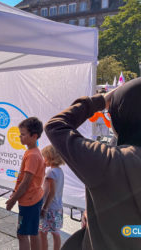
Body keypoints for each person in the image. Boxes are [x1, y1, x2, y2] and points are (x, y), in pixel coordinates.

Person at [45, 77, 141, 249]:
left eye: (110, 113)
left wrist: (99, 101)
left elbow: (56, 127)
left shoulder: (109, 161)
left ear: (122, 115)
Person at [5, 117, 45, 250]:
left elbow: (26, 182)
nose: (20, 137)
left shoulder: (33, 155)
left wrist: (13, 200)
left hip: (29, 201)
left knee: (22, 234)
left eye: (23, 134)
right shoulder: (32, 152)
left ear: (34, 136)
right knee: (33, 232)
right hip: (33, 198)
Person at [39, 145, 65, 250]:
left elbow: (51, 192)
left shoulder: (51, 172)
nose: (43, 159)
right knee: (56, 232)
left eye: (44, 157)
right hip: (58, 206)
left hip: (49, 208)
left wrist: (44, 208)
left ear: (50, 157)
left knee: (42, 232)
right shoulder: (60, 171)